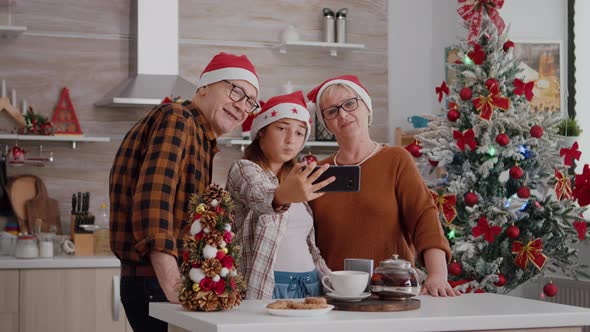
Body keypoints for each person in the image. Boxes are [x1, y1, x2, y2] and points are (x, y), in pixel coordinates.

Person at [109, 52, 260, 331]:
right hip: (154, 282)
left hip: (152, 282)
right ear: (203, 87)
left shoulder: (201, 138)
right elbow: (155, 198)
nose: (242, 106)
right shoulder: (178, 119)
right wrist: (173, 284)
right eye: (236, 91)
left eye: (250, 102)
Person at [306, 75, 461, 297]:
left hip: (392, 292)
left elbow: (424, 217)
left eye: (350, 103)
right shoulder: (318, 172)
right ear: (326, 123)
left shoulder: (396, 159)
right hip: (335, 296)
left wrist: (438, 275)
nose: (342, 113)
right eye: (331, 111)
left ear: (367, 109)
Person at [226, 91, 334, 300]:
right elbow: (261, 195)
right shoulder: (244, 170)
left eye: (299, 132)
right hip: (267, 287)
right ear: (261, 132)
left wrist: (332, 280)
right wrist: (283, 195)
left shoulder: (298, 181)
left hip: (310, 285)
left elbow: (309, 245)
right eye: (282, 128)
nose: (290, 140)